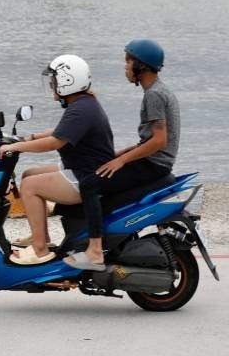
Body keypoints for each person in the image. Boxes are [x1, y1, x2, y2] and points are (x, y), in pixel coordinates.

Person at [64, 39, 180, 270]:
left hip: (153, 165)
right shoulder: (158, 90)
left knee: (89, 185)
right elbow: (147, 140)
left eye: (128, 61)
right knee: (101, 178)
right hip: (153, 162)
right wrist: (118, 154)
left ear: (141, 66)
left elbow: (159, 140)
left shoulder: (154, 95)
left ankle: (95, 252)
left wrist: (121, 161)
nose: (125, 67)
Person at [0, 54, 114, 266]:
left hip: (85, 175)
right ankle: (41, 237)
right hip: (81, 167)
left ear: (68, 81)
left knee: (29, 186)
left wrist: (15, 146)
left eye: (55, 80)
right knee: (28, 174)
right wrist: (30, 137)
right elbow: (60, 131)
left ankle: (40, 250)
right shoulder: (83, 104)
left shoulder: (82, 108)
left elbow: (54, 142)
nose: (52, 84)